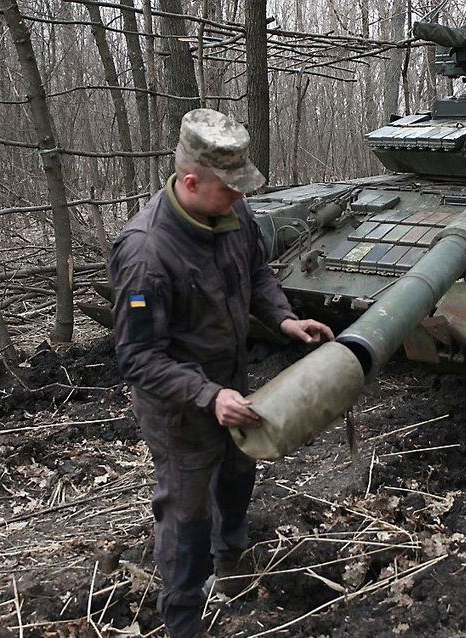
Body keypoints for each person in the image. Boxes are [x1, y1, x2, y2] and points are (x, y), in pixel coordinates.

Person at [108, 108, 333, 638]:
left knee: (237, 479)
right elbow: (137, 357)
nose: (239, 197)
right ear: (191, 182)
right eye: (228, 188)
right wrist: (209, 396)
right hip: (180, 408)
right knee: (186, 517)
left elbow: (256, 272)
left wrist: (283, 318)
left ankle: (230, 570)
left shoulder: (234, 215)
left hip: (233, 387)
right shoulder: (145, 253)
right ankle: (183, 620)